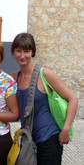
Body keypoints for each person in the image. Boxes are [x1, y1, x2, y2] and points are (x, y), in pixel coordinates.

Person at [10, 32, 78, 165]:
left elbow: (73, 99)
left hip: (49, 138)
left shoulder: (44, 74)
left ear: (33, 53)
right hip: (28, 139)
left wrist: (65, 129)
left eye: (27, 51)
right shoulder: (13, 77)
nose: (22, 56)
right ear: (13, 52)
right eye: (18, 51)